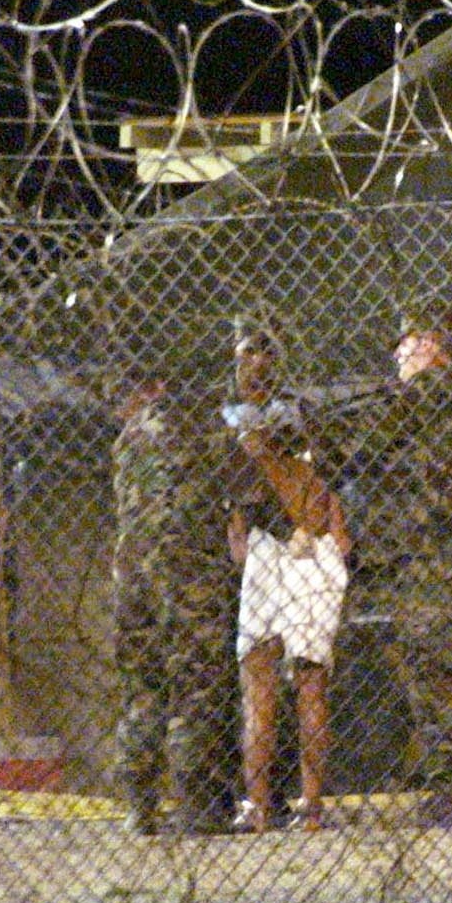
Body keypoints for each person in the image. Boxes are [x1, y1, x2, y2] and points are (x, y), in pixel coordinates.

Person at [346, 303, 452, 827]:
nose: (398, 354)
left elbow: (365, 445)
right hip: (443, 553)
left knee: (432, 673)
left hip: (428, 557)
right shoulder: (451, 401)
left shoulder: (427, 393)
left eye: (407, 343)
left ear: (432, 345)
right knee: (443, 671)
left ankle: (450, 787)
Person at [223, 325, 351, 833]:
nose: (255, 362)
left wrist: (325, 529)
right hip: (269, 546)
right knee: (260, 679)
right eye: (247, 353)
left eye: (262, 352)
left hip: (304, 545)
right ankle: (261, 805)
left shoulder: (292, 415)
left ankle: (309, 804)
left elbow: (322, 481)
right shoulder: (245, 418)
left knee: (308, 680)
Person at [107, 362, 241, 835]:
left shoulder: (125, 443)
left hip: (132, 577)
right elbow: (240, 481)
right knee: (196, 686)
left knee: (142, 692)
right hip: (188, 575)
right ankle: (196, 805)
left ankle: (138, 806)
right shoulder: (199, 429)